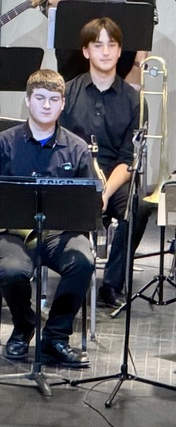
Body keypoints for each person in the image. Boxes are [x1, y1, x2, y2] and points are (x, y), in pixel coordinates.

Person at [0, 69, 96, 368]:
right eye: (40, 98)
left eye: (53, 99)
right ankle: (24, 326)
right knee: (11, 271)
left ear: (63, 104)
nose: (46, 105)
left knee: (83, 262)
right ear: (27, 101)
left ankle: (55, 337)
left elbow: (90, 204)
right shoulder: (2, 143)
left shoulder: (76, 149)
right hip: (12, 233)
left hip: (58, 233)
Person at [59, 17, 149, 308]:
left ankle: (112, 284)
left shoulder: (134, 101)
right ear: (86, 52)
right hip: (73, 177)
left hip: (113, 179)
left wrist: (105, 193)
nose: (106, 52)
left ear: (120, 51)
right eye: (98, 45)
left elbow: (128, 159)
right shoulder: (67, 93)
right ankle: (70, 274)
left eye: (112, 45)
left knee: (138, 205)